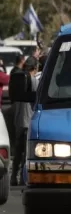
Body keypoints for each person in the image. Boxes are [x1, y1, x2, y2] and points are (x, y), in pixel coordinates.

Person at [10, 56, 38, 186]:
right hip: (29, 120)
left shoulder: (18, 79)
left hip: (18, 120)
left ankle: (13, 177)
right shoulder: (35, 81)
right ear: (35, 68)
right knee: (26, 152)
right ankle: (22, 177)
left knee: (17, 151)